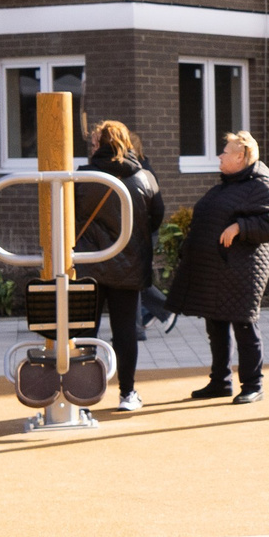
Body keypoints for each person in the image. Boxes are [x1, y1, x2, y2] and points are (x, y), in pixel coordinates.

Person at [169, 129, 269, 405]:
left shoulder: (260, 184)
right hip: (220, 268)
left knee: (244, 324)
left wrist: (240, 227)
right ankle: (220, 381)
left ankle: (253, 384)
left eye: (225, 151)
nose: (220, 155)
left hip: (243, 268)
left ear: (241, 156)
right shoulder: (229, 184)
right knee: (216, 322)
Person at [75, 119, 165, 412]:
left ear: (100, 145)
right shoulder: (145, 178)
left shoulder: (83, 178)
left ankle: (84, 396)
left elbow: (68, 217)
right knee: (126, 331)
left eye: (93, 142)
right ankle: (128, 393)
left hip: (90, 264)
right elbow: (157, 218)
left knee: (87, 330)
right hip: (129, 264)